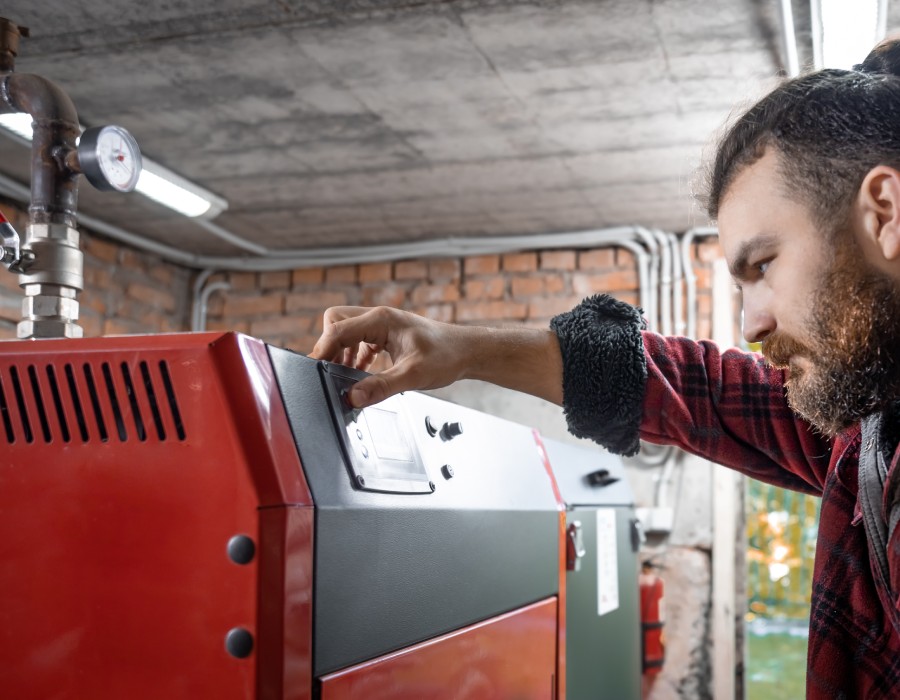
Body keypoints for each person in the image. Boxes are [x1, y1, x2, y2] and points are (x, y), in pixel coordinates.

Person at [310, 39, 900, 699]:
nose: (751, 324)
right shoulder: (872, 433)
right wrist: (464, 349)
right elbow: (706, 392)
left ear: (884, 213)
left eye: (762, 266)